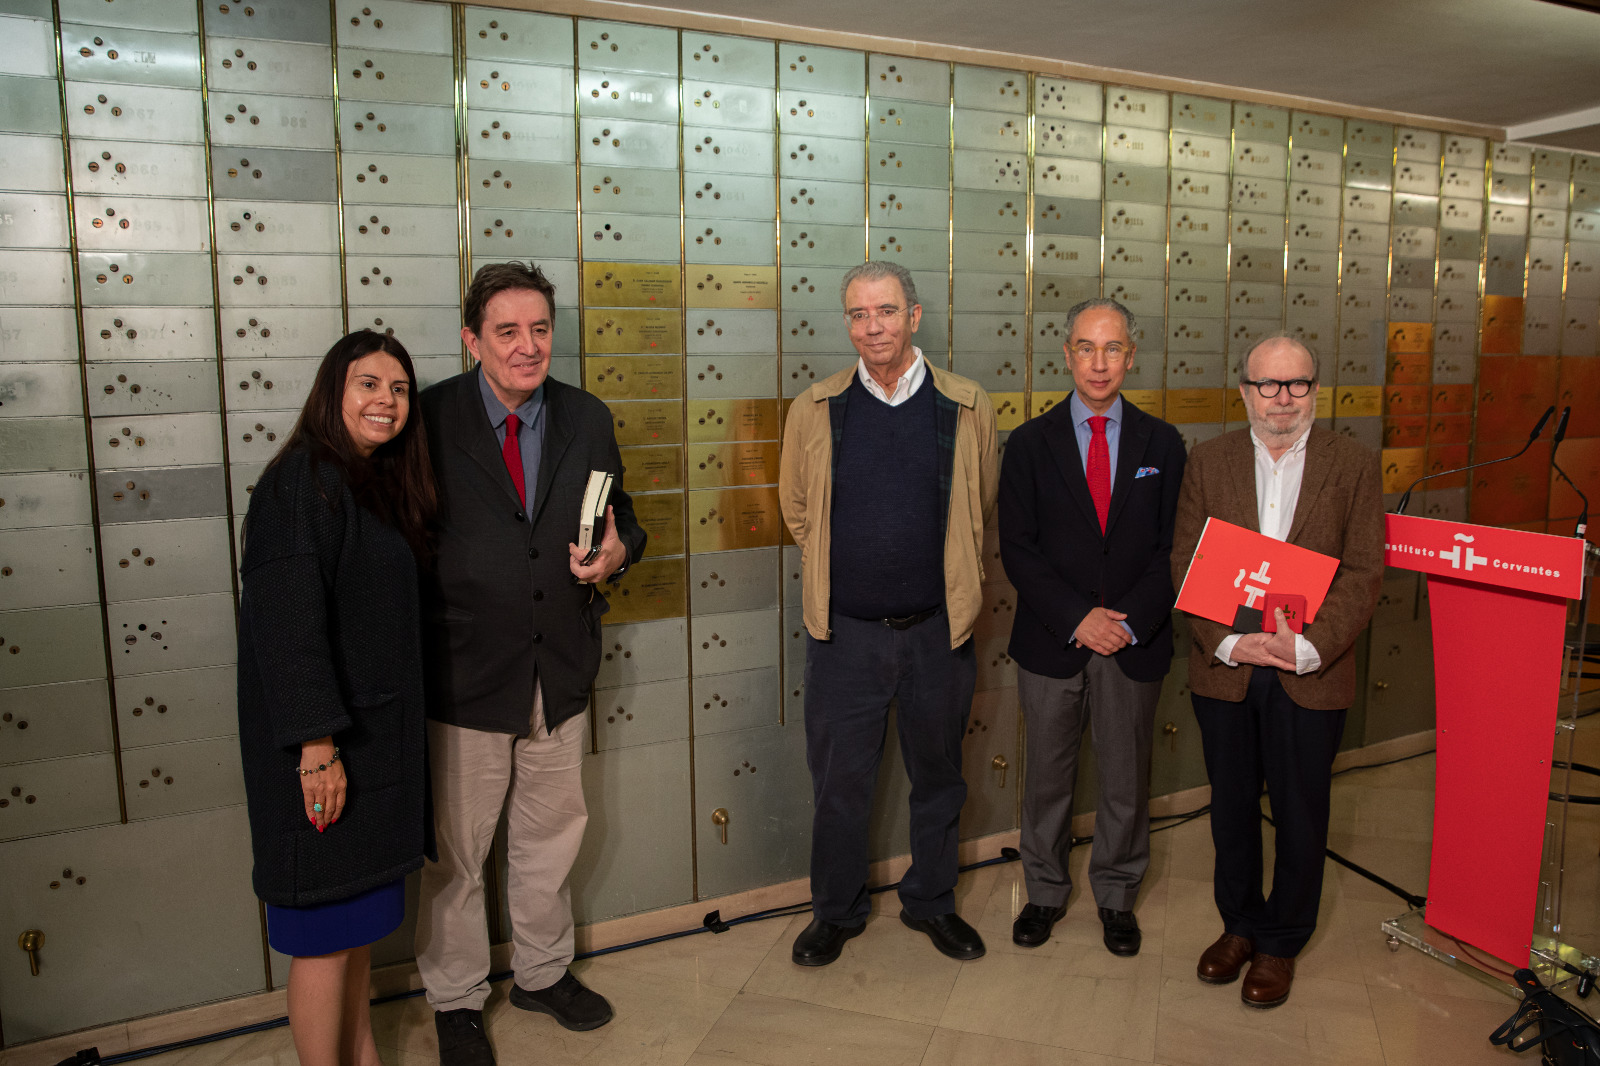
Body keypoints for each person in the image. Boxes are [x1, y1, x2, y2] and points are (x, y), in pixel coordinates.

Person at [415, 262, 646, 1066]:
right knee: (457, 853)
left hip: (560, 670)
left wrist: (617, 549)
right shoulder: (428, 418)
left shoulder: (585, 415)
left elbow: (623, 518)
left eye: (540, 329)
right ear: (473, 339)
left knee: (549, 841)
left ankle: (544, 975)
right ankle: (455, 998)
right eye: (507, 332)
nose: (527, 347)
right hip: (464, 674)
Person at [778, 259, 999, 966]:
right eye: (857, 314)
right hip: (846, 637)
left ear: (914, 315)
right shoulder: (816, 407)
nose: (871, 327)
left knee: (939, 780)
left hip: (939, 633)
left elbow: (979, 503)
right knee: (840, 786)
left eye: (885, 311)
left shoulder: (966, 404)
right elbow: (798, 510)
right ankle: (834, 913)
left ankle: (931, 903)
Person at [236, 329, 438, 1066]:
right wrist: (317, 749)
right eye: (368, 384)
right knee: (323, 941)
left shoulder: (363, 479)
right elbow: (287, 625)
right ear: (333, 391)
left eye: (399, 388)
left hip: (370, 753)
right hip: (325, 760)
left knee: (354, 938)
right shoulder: (302, 483)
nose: (386, 401)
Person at [1172, 333, 1382, 1008]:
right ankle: (1238, 926)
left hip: (1308, 671)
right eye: (1268, 385)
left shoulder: (1352, 464)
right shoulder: (1209, 461)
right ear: (1245, 391)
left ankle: (1281, 942)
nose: (1282, 398)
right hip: (1228, 669)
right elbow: (1185, 562)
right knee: (1230, 808)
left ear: (1315, 390)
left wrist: (1309, 647)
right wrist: (1231, 642)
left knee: (1300, 810)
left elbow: (1365, 569)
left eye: (1296, 384)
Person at [998, 298, 1186, 956]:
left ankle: (1116, 893)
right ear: (1067, 354)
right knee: (1047, 777)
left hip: (1134, 642)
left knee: (1126, 780)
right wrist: (1078, 617)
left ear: (1131, 356)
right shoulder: (1027, 443)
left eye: (1112, 349)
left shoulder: (1163, 444)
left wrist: (1125, 623)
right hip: (1054, 641)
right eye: (1086, 347)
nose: (1099, 362)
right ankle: (1044, 892)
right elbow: (1017, 547)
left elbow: (1176, 548)